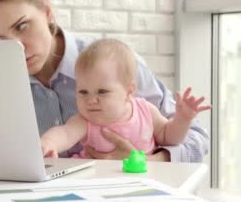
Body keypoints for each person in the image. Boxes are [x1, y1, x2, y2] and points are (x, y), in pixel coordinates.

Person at [0, 0, 211, 162]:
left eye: (22, 26)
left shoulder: (112, 64)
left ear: (46, 11)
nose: (17, 48)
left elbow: (197, 137)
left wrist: (145, 161)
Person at [40, 39, 209, 159]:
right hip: (97, 182)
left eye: (102, 92)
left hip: (142, 179)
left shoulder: (145, 111)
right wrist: (48, 144)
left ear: (129, 91)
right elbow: (65, 134)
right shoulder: (85, 121)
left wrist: (183, 119)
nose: (91, 100)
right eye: (83, 92)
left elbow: (169, 137)